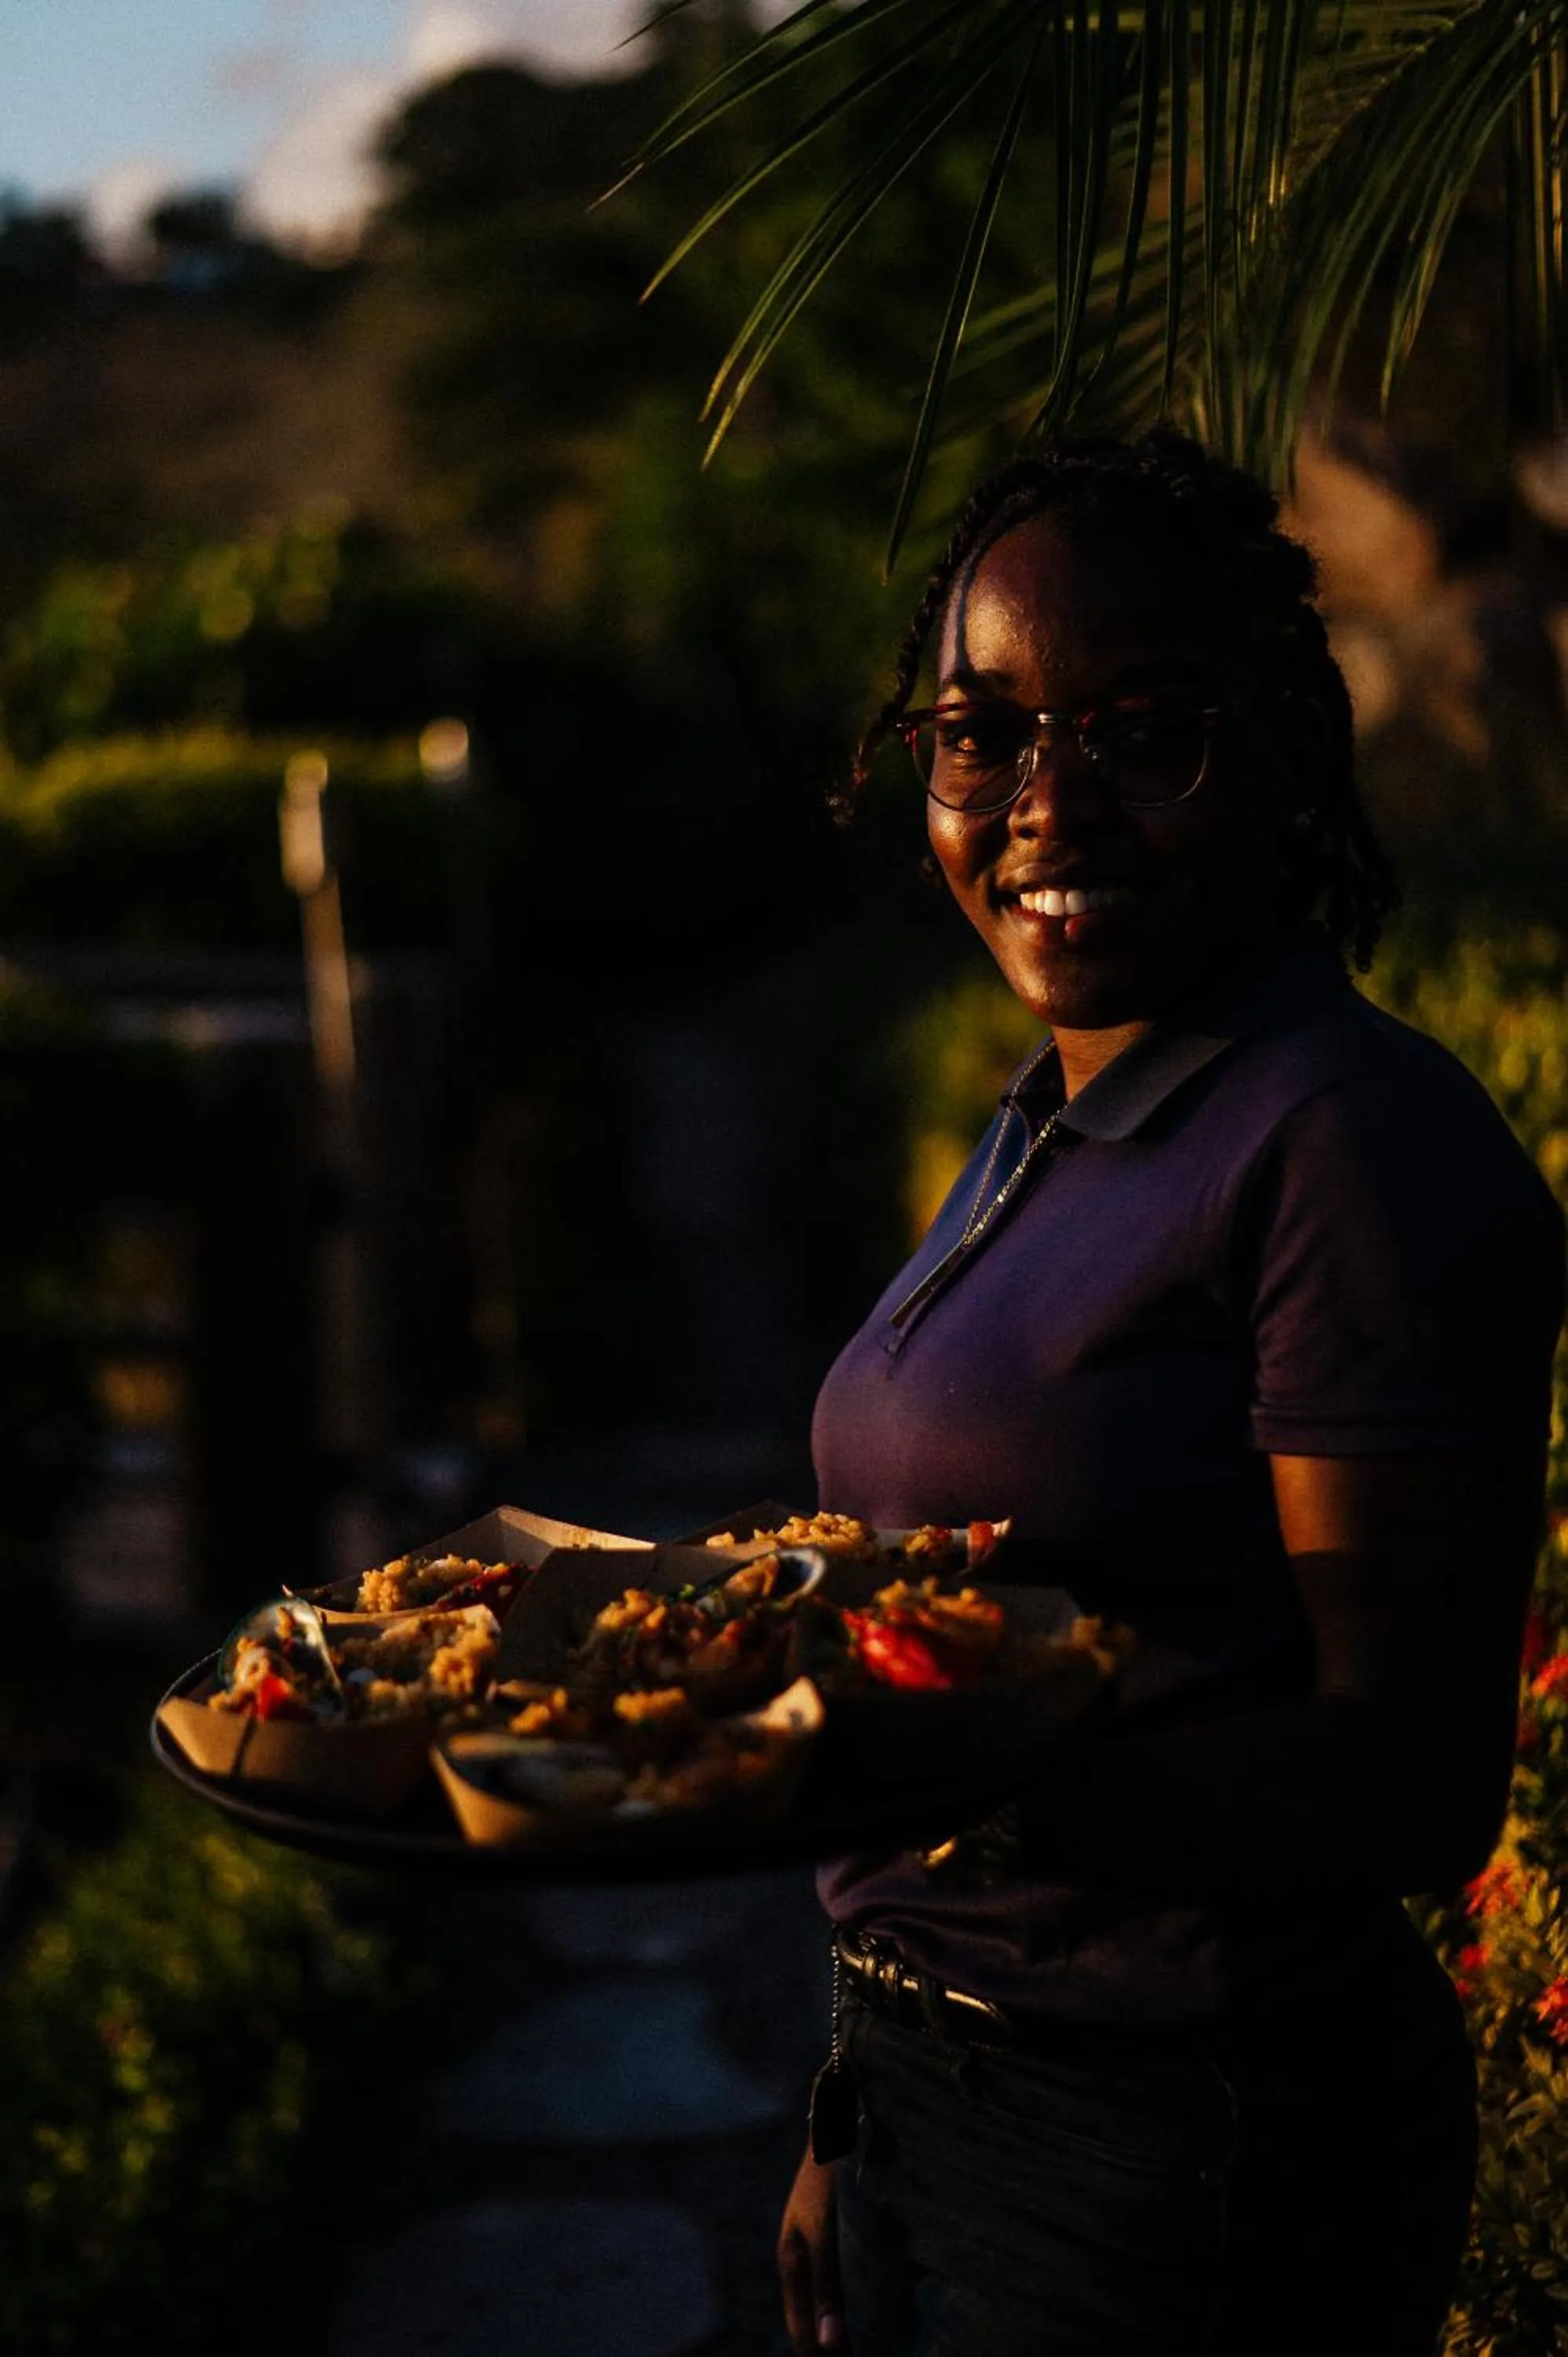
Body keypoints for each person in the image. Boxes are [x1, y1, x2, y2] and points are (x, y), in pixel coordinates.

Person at [776, 433, 1566, 2357]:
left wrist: (941, 1797)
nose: (1046, 803)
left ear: (1289, 751)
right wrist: (845, 2110)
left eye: (1144, 732)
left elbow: (1411, 1771)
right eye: (978, 736)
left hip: (1164, 2145)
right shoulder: (1055, 1108)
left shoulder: (1344, 1140)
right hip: (928, 2086)